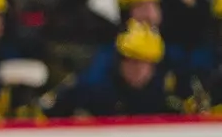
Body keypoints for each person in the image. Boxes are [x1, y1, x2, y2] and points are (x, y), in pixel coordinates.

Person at [42, 22, 203, 119]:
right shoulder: (94, 84)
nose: (140, 70)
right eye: (133, 61)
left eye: (147, 63)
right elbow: (51, 109)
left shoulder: (167, 87)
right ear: (120, 61)